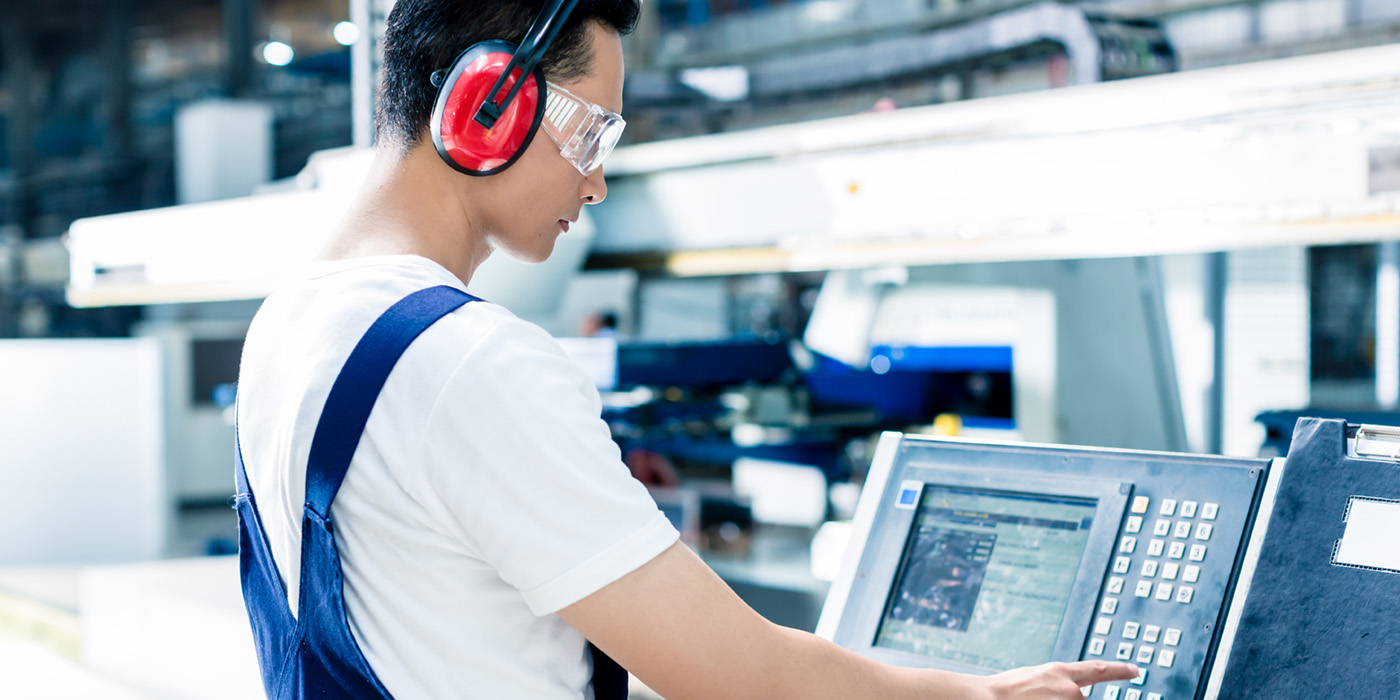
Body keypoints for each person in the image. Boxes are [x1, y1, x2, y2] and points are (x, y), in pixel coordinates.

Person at [235, 1, 1138, 698]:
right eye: (591, 132)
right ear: (485, 106)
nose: (594, 181)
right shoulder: (468, 361)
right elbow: (741, 677)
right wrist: (970, 692)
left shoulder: (288, 327)